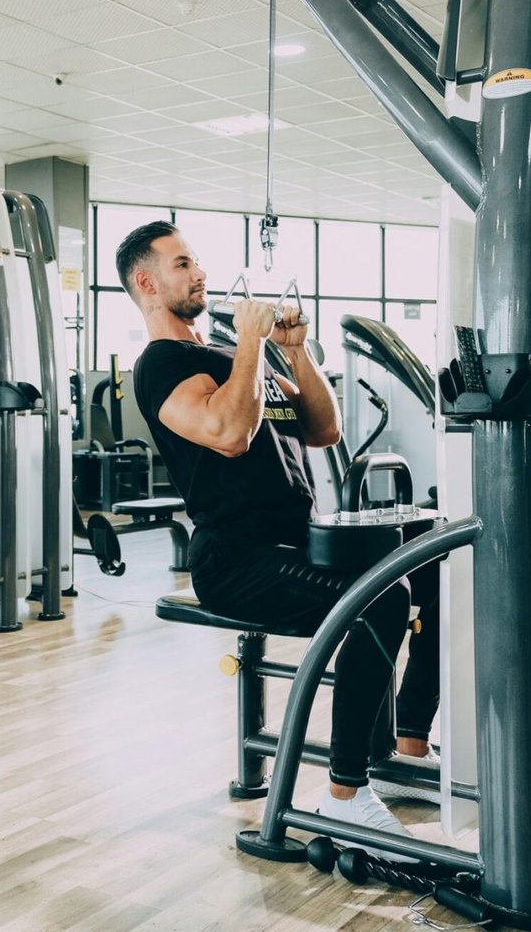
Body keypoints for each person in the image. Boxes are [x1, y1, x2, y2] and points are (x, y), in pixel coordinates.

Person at [115, 220, 438, 855]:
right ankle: (345, 797)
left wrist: (293, 352)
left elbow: (323, 428)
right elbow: (228, 433)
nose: (200, 273)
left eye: (198, 261)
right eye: (183, 264)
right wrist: (249, 348)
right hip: (236, 560)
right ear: (148, 283)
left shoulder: (234, 362)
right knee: (383, 600)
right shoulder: (162, 365)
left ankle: (408, 746)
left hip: (298, 544)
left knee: (436, 568)